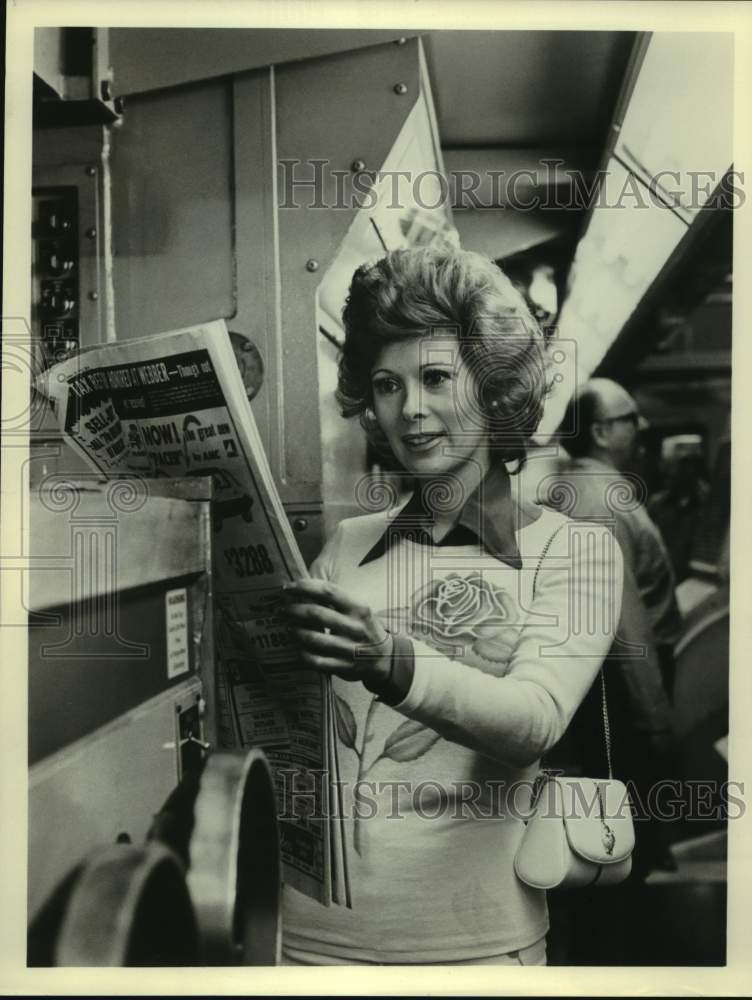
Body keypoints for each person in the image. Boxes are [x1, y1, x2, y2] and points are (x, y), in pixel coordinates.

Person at [280, 247, 623, 965]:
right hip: (308, 943)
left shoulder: (575, 552)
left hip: (474, 949)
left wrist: (392, 660)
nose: (411, 409)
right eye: (386, 385)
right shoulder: (344, 547)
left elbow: (531, 722)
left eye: (436, 377)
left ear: (494, 388)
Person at [545, 378, 680, 878]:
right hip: (619, 697)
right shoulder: (601, 500)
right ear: (601, 431)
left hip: (603, 692)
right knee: (626, 848)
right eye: (629, 418)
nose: (639, 427)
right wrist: (655, 721)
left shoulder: (578, 488)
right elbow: (623, 626)